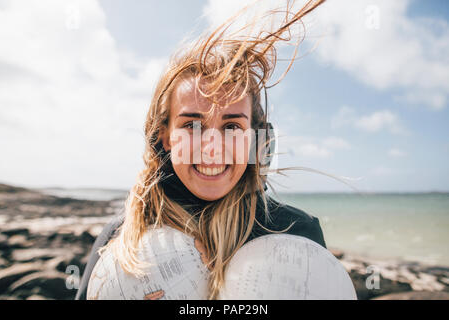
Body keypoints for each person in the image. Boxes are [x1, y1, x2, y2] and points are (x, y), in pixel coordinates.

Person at [76, 0, 327, 300]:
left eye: (232, 127)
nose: (212, 149)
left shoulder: (296, 233)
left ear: (253, 138)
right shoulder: (121, 242)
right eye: (192, 125)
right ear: (165, 136)